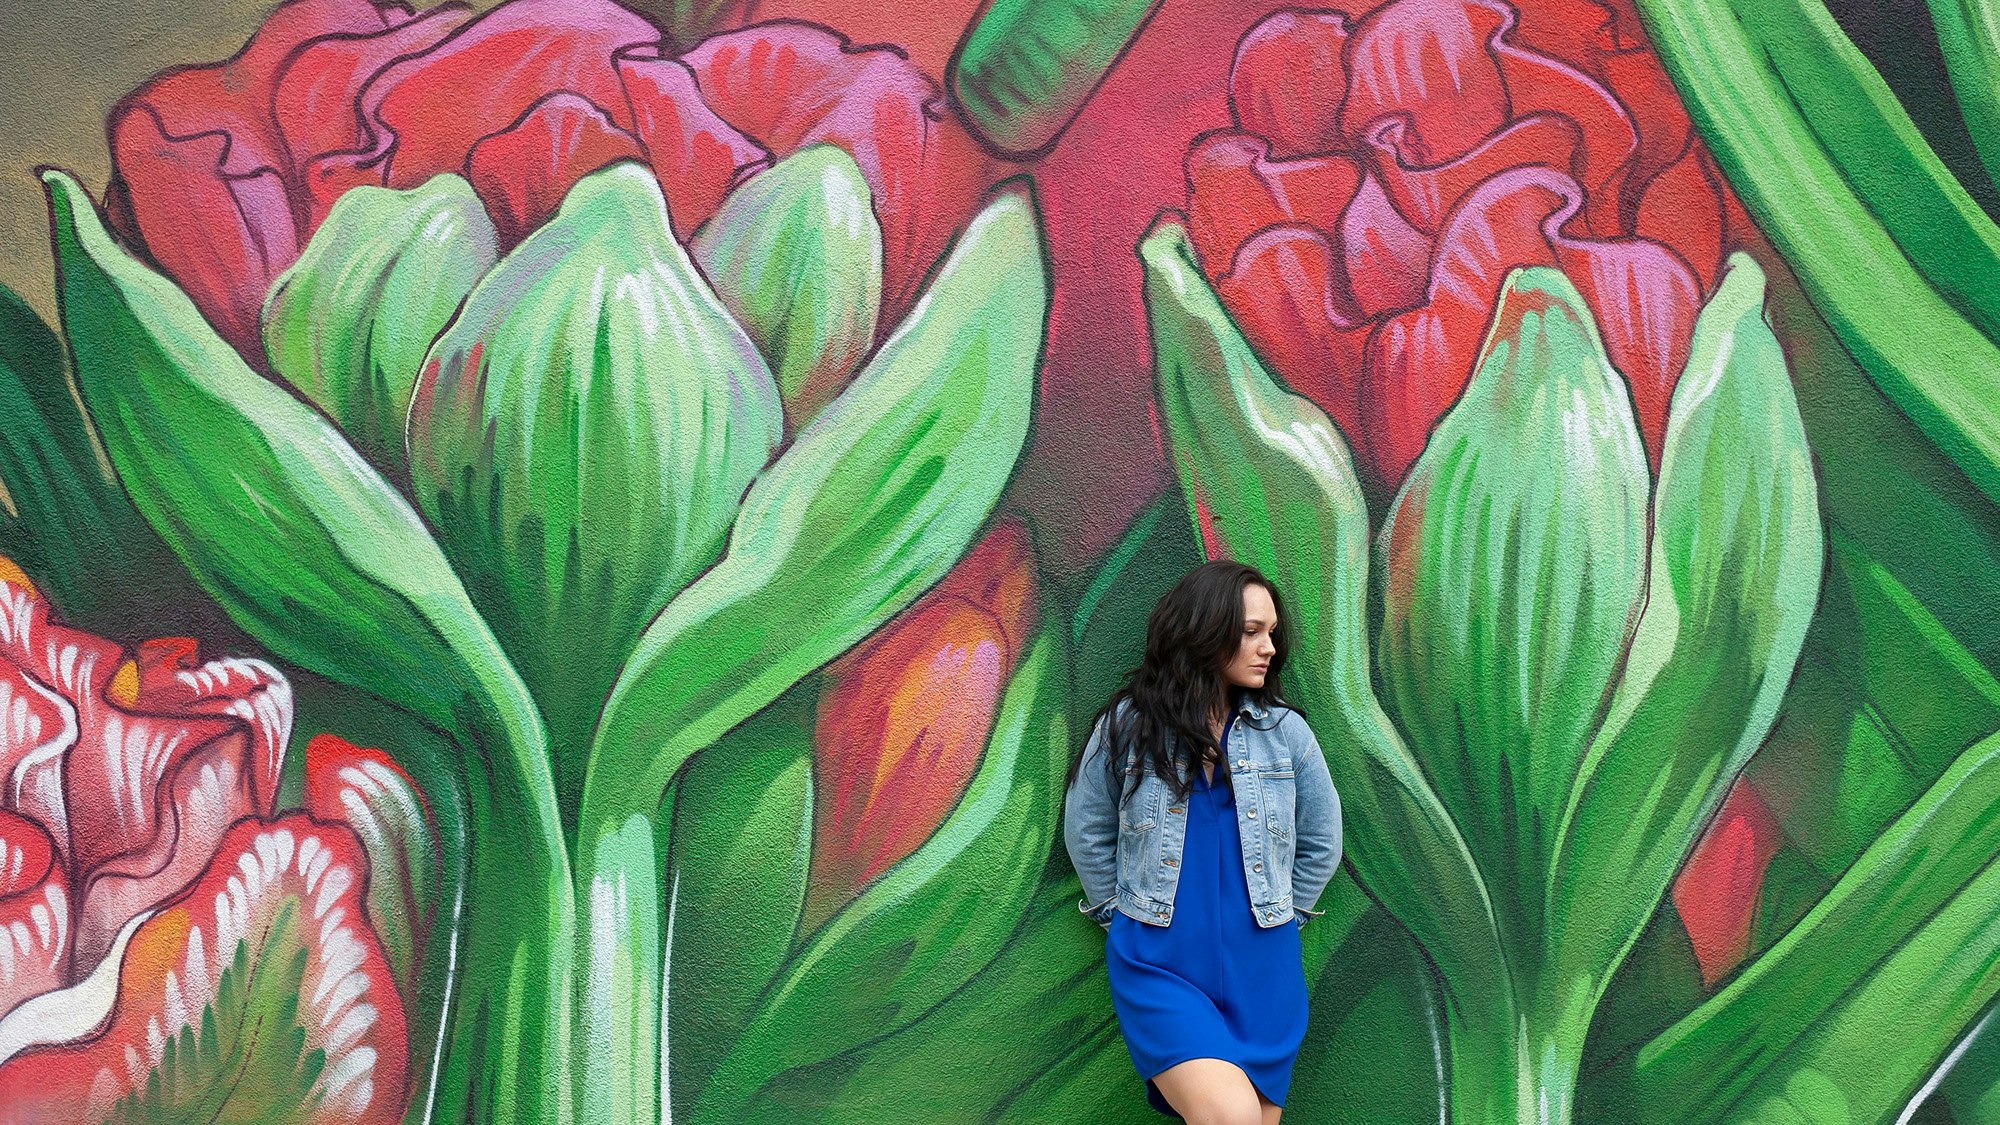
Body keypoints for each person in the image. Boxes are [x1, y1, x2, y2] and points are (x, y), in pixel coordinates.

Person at [1063, 560, 1343, 1124]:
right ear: (1205, 631)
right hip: (1160, 961)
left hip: (1265, 966)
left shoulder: (1285, 732)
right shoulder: (1129, 726)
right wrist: (1125, 918)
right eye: (1250, 633)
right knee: (1230, 1117)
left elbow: (1322, 839)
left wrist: (1284, 918)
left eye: (1271, 632)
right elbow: (1086, 828)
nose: (1268, 646)